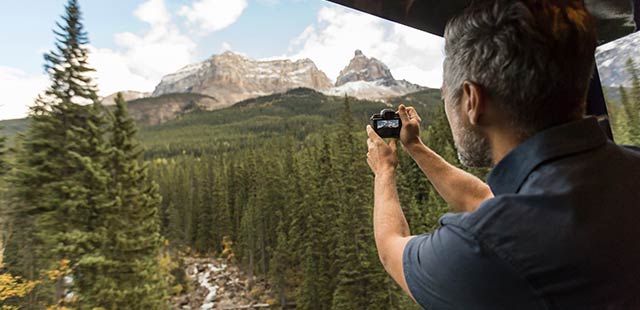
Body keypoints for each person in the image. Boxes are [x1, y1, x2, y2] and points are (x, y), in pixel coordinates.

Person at [365, 0, 640, 309]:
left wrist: (384, 169)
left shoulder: (483, 249)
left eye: (446, 95)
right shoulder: (628, 166)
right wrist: (415, 147)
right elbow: (481, 199)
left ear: (472, 100)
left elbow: (391, 250)